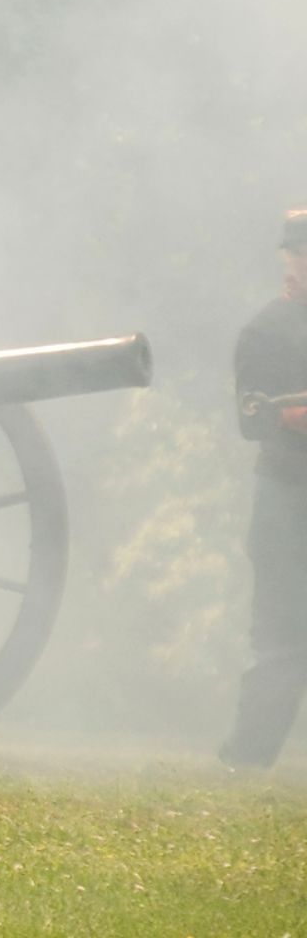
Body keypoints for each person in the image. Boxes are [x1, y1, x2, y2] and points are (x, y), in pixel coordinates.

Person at [221, 207, 307, 769]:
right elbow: (253, 419)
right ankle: (245, 763)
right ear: (292, 260)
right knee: (282, 641)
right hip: (288, 498)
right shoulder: (265, 331)